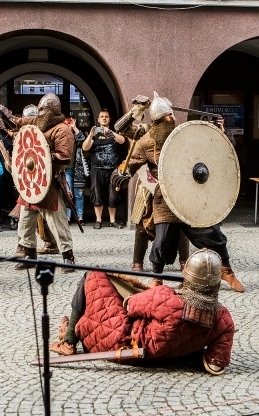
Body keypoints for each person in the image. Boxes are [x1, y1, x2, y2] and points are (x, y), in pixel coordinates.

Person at [122, 93, 245, 292]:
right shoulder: (145, 139)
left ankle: (226, 270)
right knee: (161, 240)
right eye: (168, 116)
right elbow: (130, 160)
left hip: (192, 195)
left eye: (172, 115)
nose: (173, 118)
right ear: (158, 120)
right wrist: (123, 173)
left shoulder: (184, 134)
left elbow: (212, 149)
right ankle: (157, 277)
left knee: (212, 233)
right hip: (164, 198)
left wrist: (220, 131)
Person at [50, 249, 235, 375]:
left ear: (188, 276)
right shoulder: (223, 319)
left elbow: (130, 305)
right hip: (162, 357)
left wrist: (155, 295)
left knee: (92, 275)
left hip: (122, 343)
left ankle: (68, 342)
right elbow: (214, 365)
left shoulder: (167, 299)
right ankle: (70, 330)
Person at [0, 93, 77, 271]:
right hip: (32, 183)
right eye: (39, 109)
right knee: (24, 223)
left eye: (43, 109)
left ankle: (68, 258)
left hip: (50, 184)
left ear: (52, 111)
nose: (40, 112)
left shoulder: (62, 130)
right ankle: (29, 257)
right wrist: (5, 119)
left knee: (58, 223)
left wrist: (43, 155)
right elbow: (18, 124)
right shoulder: (36, 122)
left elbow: (65, 156)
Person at [83, 108, 125, 229]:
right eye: (102, 117)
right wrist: (90, 136)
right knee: (97, 194)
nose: (104, 118)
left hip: (112, 169)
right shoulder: (94, 133)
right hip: (97, 169)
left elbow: (122, 141)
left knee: (113, 195)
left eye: (106, 116)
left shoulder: (113, 132)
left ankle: (112, 220)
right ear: (98, 119)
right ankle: (98, 220)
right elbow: (85, 148)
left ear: (109, 119)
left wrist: (111, 133)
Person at [70, 119, 89, 226]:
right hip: (66, 170)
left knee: (79, 194)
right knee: (68, 194)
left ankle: (80, 217)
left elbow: (83, 139)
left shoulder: (76, 137)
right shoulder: (62, 135)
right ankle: (67, 217)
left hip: (78, 169)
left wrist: (74, 127)